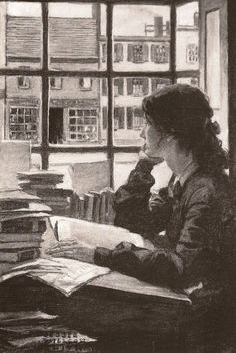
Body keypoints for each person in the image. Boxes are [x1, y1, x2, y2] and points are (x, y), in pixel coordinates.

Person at [47, 84, 236, 309]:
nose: (141, 132)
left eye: (147, 123)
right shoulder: (185, 179)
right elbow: (136, 223)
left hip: (207, 313)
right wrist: (144, 166)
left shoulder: (205, 191)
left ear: (170, 134)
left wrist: (99, 255)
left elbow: (180, 268)